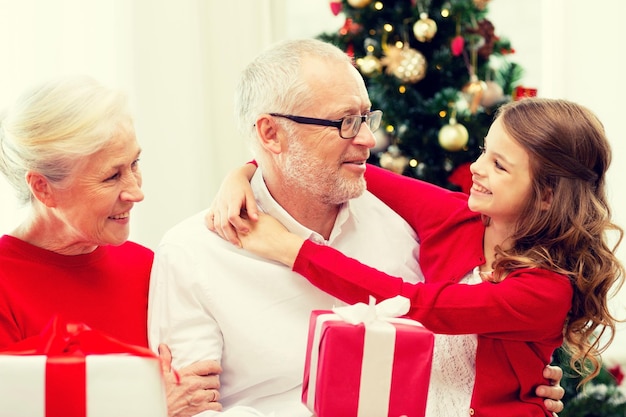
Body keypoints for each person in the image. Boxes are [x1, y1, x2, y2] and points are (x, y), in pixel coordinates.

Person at [149, 38, 565, 416]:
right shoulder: (192, 253)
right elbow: (195, 411)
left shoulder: (405, 219)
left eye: (368, 117)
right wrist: (242, 172)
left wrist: (522, 384)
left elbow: (429, 311)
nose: (368, 139)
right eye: (346, 121)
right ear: (271, 133)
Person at [209, 97, 625, 416]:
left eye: (499, 165)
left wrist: (291, 249)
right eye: (483, 150)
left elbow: (419, 305)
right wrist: (241, 173)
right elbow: (335, 166)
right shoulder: (451, 215)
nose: (476, 167)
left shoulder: (546, 290)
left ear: (549, 195)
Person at [0, 75, 222, 417]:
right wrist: (151, 408)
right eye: (111, 176)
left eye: (135, 164)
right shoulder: (5, 284)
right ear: (43, 188)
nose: (136, 192)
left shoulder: (149, 266)